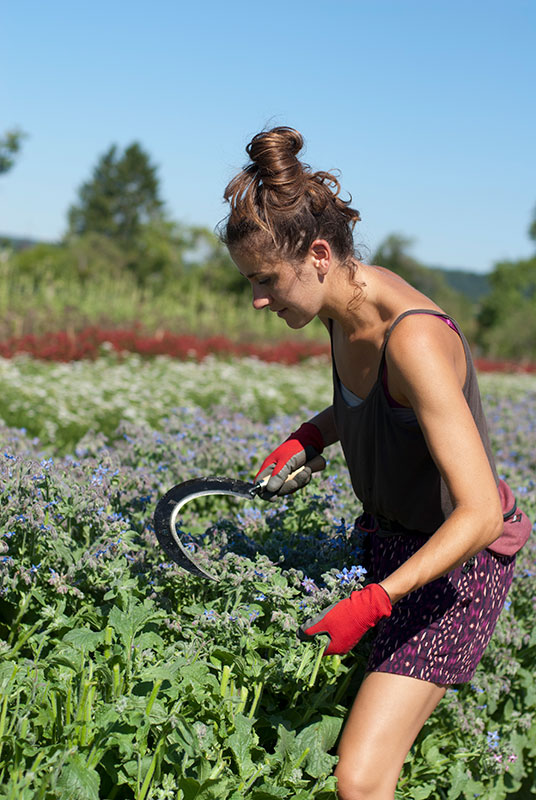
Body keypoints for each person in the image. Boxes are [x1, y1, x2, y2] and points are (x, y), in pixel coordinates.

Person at [220, 126, 530, 800]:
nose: (259, 299)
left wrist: (376, 600)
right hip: (389, 547)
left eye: (266, 280)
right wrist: (312, 435)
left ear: (319, 255)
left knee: (361, 780)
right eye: (250, 281)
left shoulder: (412, 338)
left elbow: (479, 513)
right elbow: (382, 403)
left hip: (456, 567)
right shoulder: (339, 307)